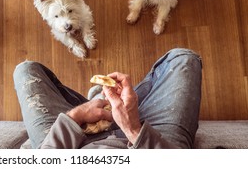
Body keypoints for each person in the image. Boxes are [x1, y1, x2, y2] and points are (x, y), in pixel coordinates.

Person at [13, 48, 202, 149]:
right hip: (150, 143)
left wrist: (75, 116)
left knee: (26, 70)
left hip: (74, 146)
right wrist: (133, 129)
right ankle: (109, 100)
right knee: (183, 58)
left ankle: (97, 100)